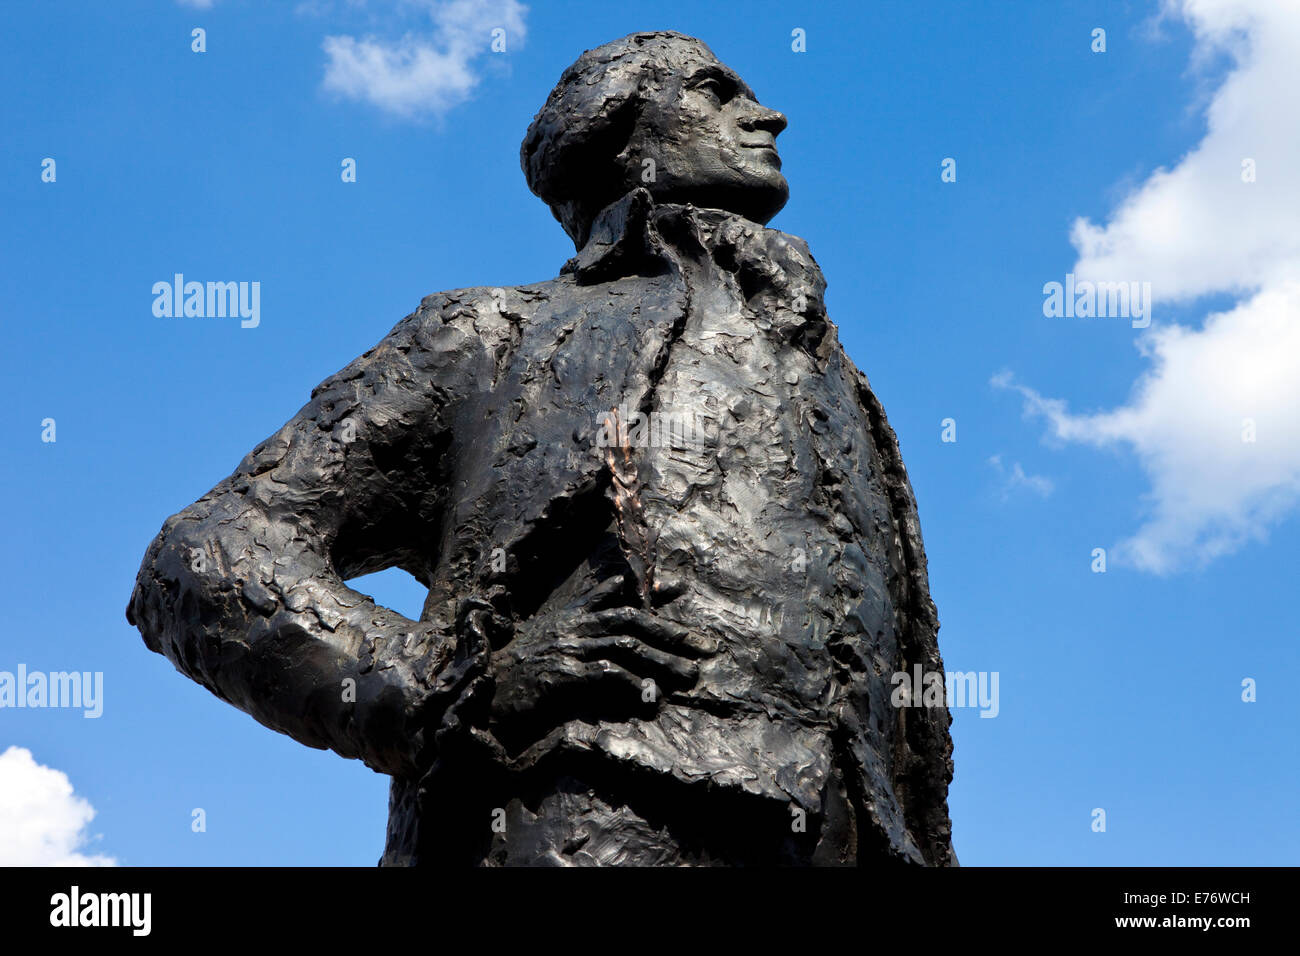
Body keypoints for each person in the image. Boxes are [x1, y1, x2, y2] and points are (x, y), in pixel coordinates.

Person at [127, 30, 956, 866]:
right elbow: (202, 555)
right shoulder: (490, 337)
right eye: (716, 90)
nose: (766, 114)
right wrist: (448, 684)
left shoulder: (838, 380)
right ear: (618, 133)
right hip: (577, 821)